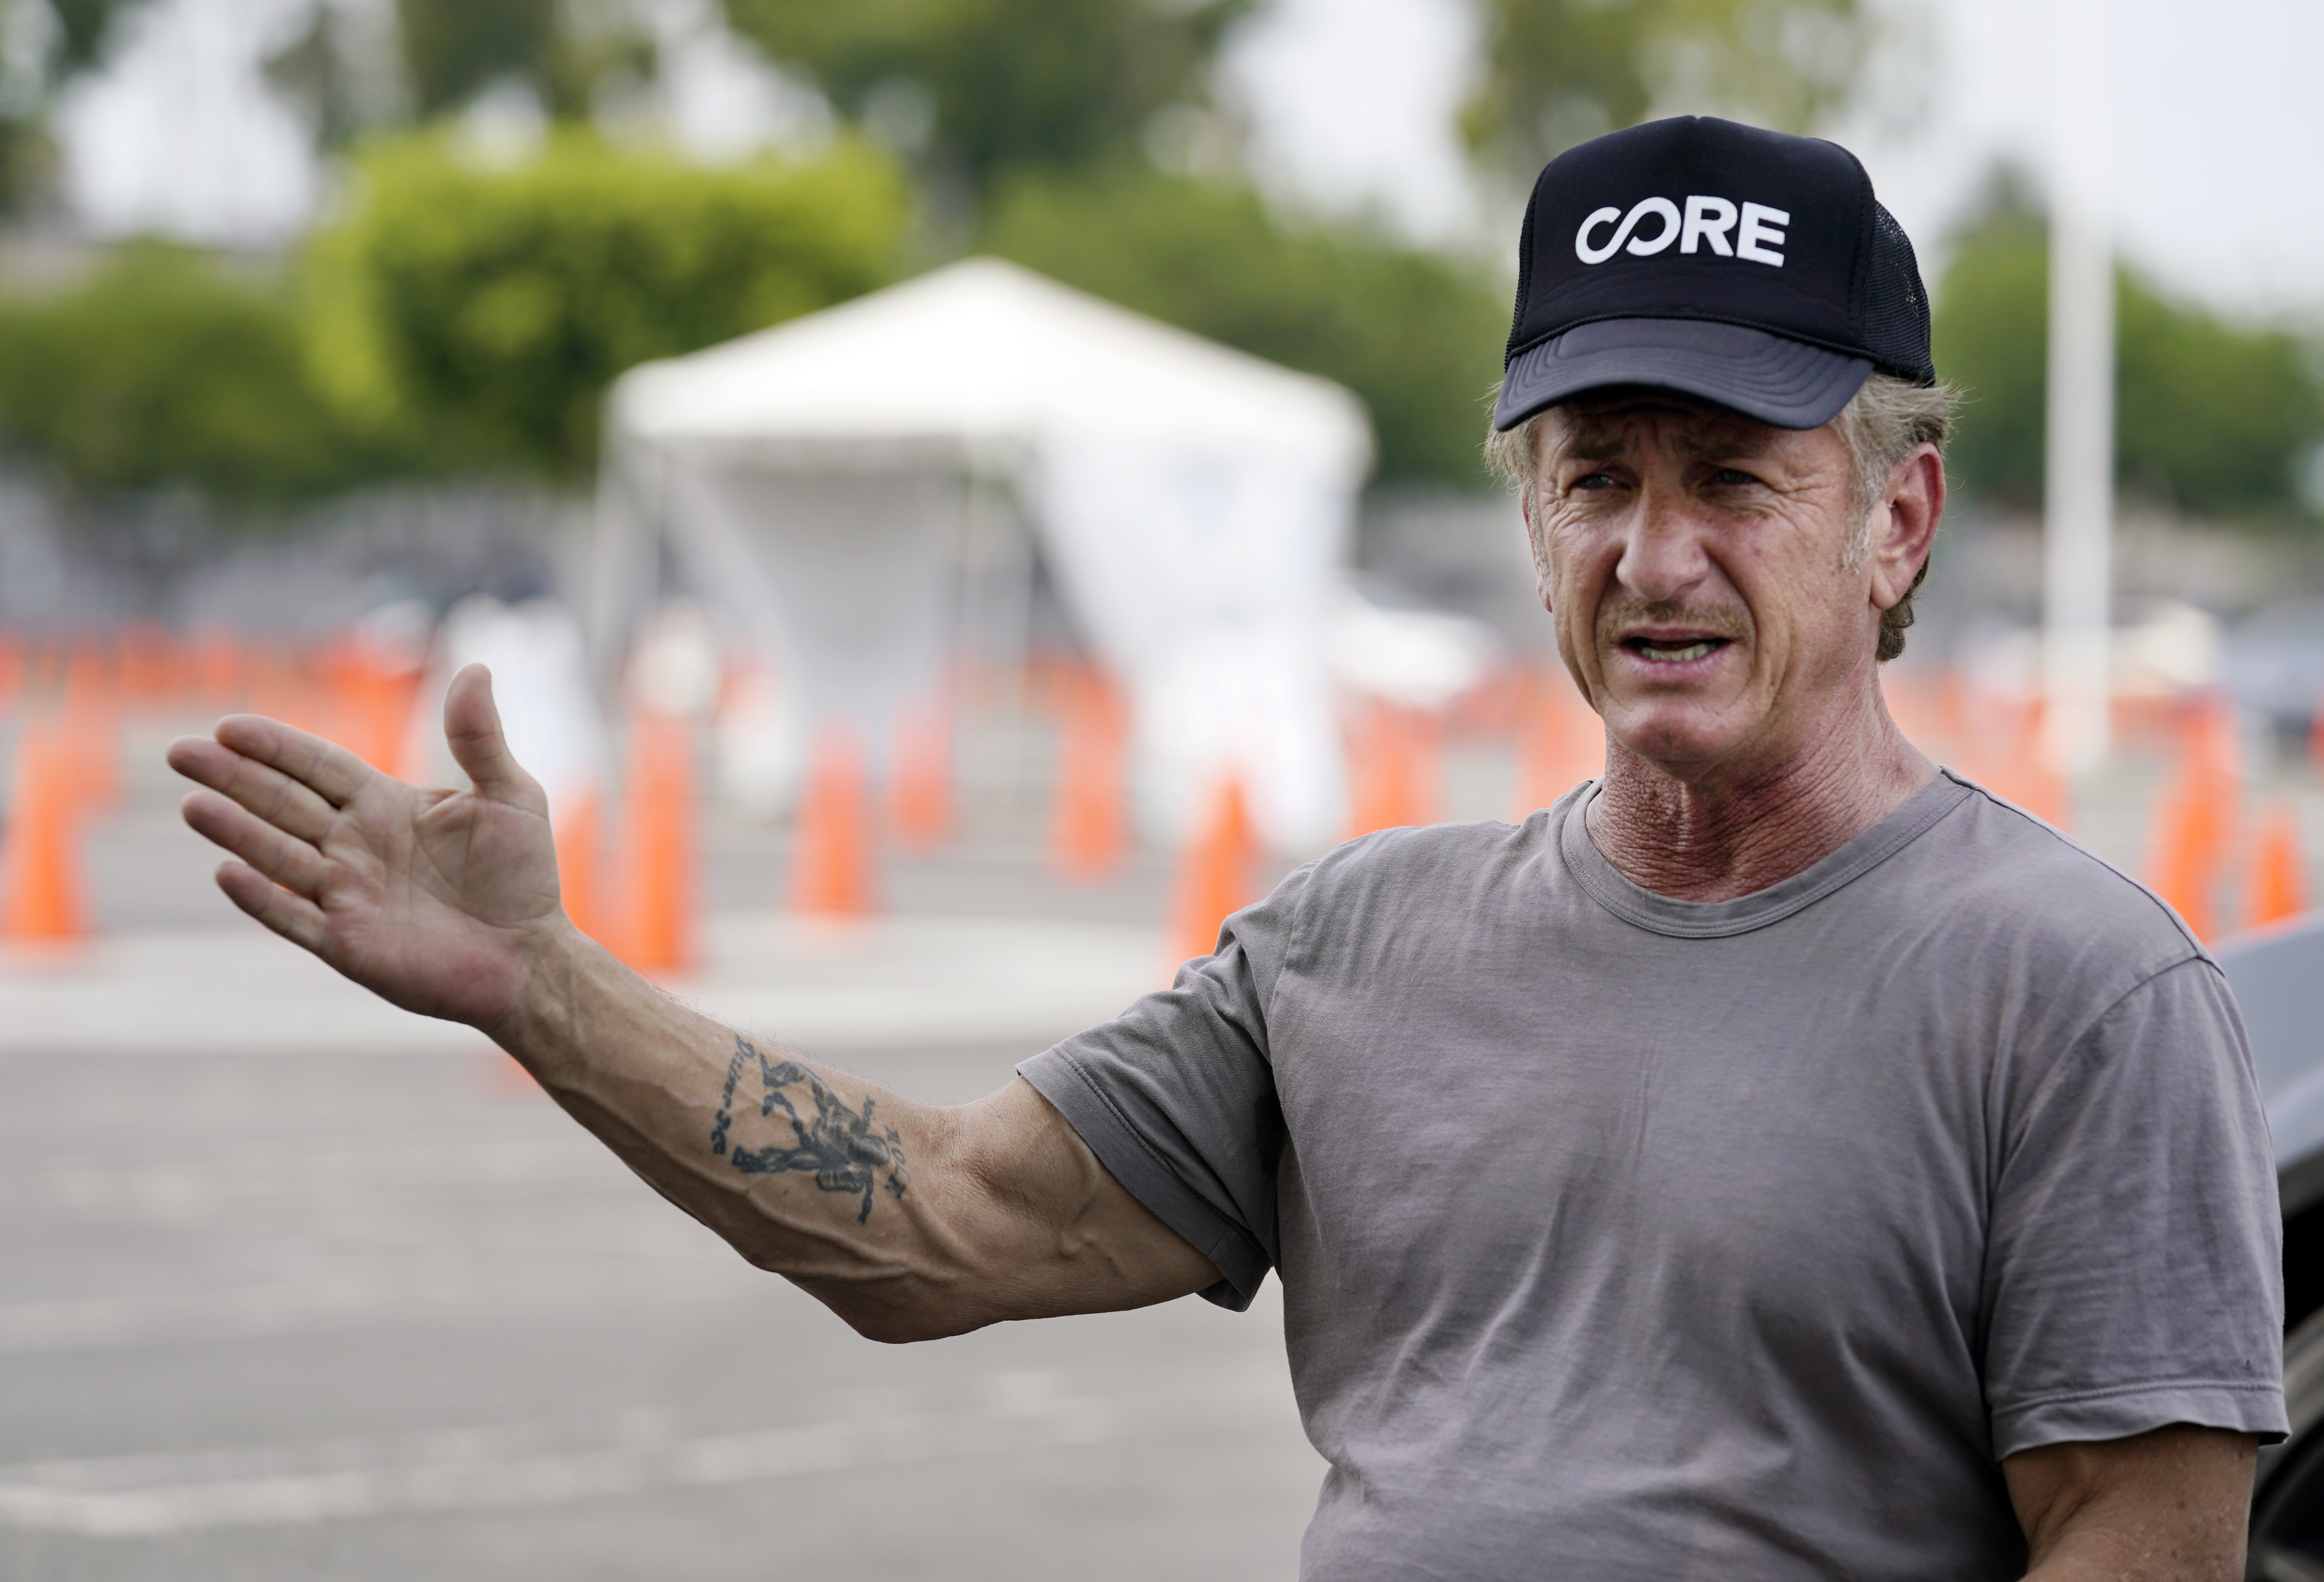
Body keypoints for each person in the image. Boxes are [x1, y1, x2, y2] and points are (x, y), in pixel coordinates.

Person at [169, 116, 2284, 1579]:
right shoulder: (1354, 944)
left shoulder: (2076, 990)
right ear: (1528, 506)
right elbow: (929, 1221)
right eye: (1592, 472)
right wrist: (540, 979)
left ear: (1891, 517)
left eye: (1732, 478)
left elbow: (2137, 1538)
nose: (1653, 552)